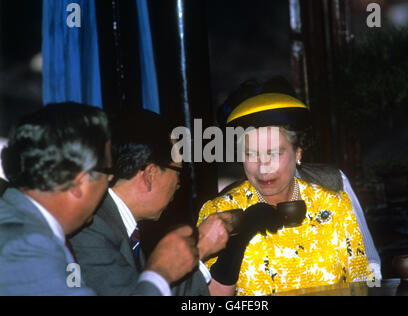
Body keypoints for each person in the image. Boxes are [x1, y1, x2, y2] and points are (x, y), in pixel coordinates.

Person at [0, 103, 199, 296]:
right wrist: (160, 273)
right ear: (79, 183)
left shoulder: (28, 230)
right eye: (108, 172)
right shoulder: (27, 246)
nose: (111, 181)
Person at [197, 93, 372, 296]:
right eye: (251, 154)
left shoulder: (335, 206)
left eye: (274, 153)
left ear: (298, 152)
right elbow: (202, 299)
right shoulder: (219, 212)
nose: (263, 166)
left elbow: (362, 285)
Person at [70, 109, 232, 296]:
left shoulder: (124, 230)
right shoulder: (91, 232)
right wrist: (199, 249)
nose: (179, 184)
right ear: (150, 174)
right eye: (178, 171)